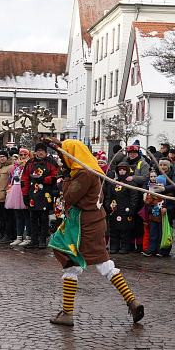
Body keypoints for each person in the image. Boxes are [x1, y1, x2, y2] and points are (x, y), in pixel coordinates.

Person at [47, 139, 143, 326]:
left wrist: (65, 179)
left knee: (70, 261)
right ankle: (132, 301)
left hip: (83, 225)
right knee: (104, 264)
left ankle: (67, 313)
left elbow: (69, 197)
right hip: (93, 221)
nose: (61, 161)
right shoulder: (89, 169)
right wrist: (58, 146)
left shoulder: (84, 174)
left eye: (63, 157)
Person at [21, 143, 59, 249]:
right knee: (33, 217)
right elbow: (24, 179)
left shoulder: (51, 162)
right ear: (35, 152)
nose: (40, 152)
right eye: (38, 150)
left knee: (43, 218)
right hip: (33, 193)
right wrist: (25, 194)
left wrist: (44, 179)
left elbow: (56, 177)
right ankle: (34, 240)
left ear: (46, 152)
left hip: (46, 194)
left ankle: (42, 240)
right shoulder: (30, 163)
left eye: (42, 150)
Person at [105, 162, 140, 254]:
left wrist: (132, 209)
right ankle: (114, 246)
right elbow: (109, 196)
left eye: (124, 169)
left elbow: (134, 197)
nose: (122, 171)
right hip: (115, 210)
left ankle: (125, 247)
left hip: (126, 210)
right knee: (114, 230)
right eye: (120, 170)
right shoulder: (113, 183)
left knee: (125, 231)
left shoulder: (131, 183)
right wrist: (108, 206)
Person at [143, 175, 171, 257]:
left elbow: (171, 204)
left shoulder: (168, 194)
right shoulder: (152, 194)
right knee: (153, 234)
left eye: (161, 184)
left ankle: (160, 250)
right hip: (153, 217)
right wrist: (148, 198)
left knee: (161, 234)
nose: (159, 185)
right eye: (157, 183)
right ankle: (152, 250)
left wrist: (166, 208)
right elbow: (147, 204)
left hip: (163, 218)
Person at [5, 152, 29, 246]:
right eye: (21, 155)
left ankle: (28, 237)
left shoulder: (28, 167)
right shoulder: (17, 168)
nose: (22, 157)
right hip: (15, 191)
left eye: (25, 155)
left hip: (23, 192)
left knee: (26, 215)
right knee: (18, 215)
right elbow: (12, 179)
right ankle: (19, 237)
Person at [0, 154, 12, 243]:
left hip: (5, 194)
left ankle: (7, 234)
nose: (2, 158)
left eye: (4, 156)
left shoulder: (10, 167)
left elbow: (11, 180)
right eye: (0, 157)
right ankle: (1, 232)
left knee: (7, 217)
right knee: (0, 216)